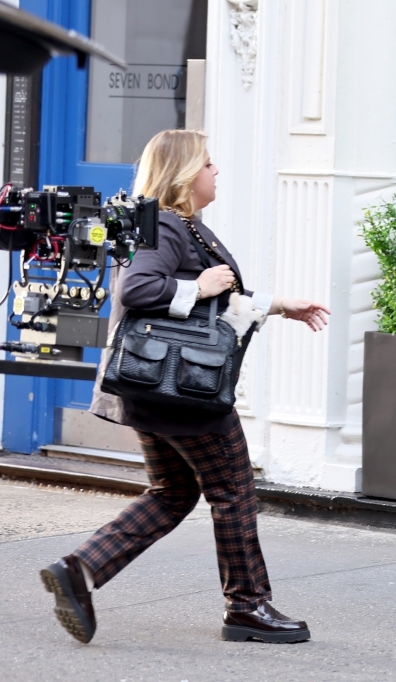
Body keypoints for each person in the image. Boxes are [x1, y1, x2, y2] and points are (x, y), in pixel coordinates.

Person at [39, 129, 330, 645]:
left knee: (173, 492)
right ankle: (248, 606)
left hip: (159, 390)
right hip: (184, 392)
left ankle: (80, 571)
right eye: (209, 164)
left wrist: (284, 305)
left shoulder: (177, 225)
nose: (217, 171)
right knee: (234, 492)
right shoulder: (167, 226)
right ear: (184, 173)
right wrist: (196, 286)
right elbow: (138, 288)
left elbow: (220, 302)